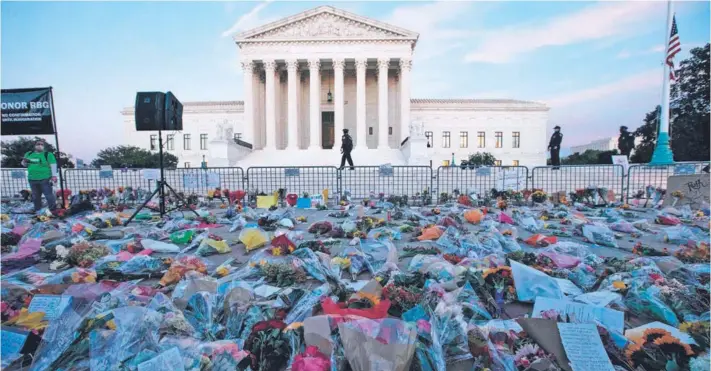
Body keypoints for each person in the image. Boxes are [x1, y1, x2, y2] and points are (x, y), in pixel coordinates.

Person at [22, 140, 58, 212]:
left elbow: (53, 165)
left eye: (41, 144)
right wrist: (24, 161)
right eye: (38, 144)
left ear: (44, 146)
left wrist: (54, 176)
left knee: (49, 195)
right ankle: (38, 210)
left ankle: (53, 210)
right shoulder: (29, 154)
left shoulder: (48, 154)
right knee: (35, 196)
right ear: (35, 145)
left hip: (45, 178)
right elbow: (24, 165)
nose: (40, 145)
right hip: (32, 178)